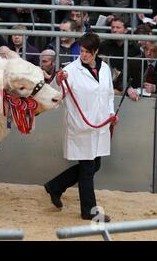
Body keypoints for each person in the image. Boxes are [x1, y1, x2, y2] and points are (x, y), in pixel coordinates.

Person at [44, 32, 118, 222]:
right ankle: (89, 211)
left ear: (96, 52)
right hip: (80, 126)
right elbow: (55, 93)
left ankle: (55, 186)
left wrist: (111, 114)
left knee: (95, 165)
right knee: (87, 169)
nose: (83, 55)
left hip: (99, 126)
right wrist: (58, 81)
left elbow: (108, 94)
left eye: (88, 52)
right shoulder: (71, 70)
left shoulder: (105, 69)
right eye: (82, 51)